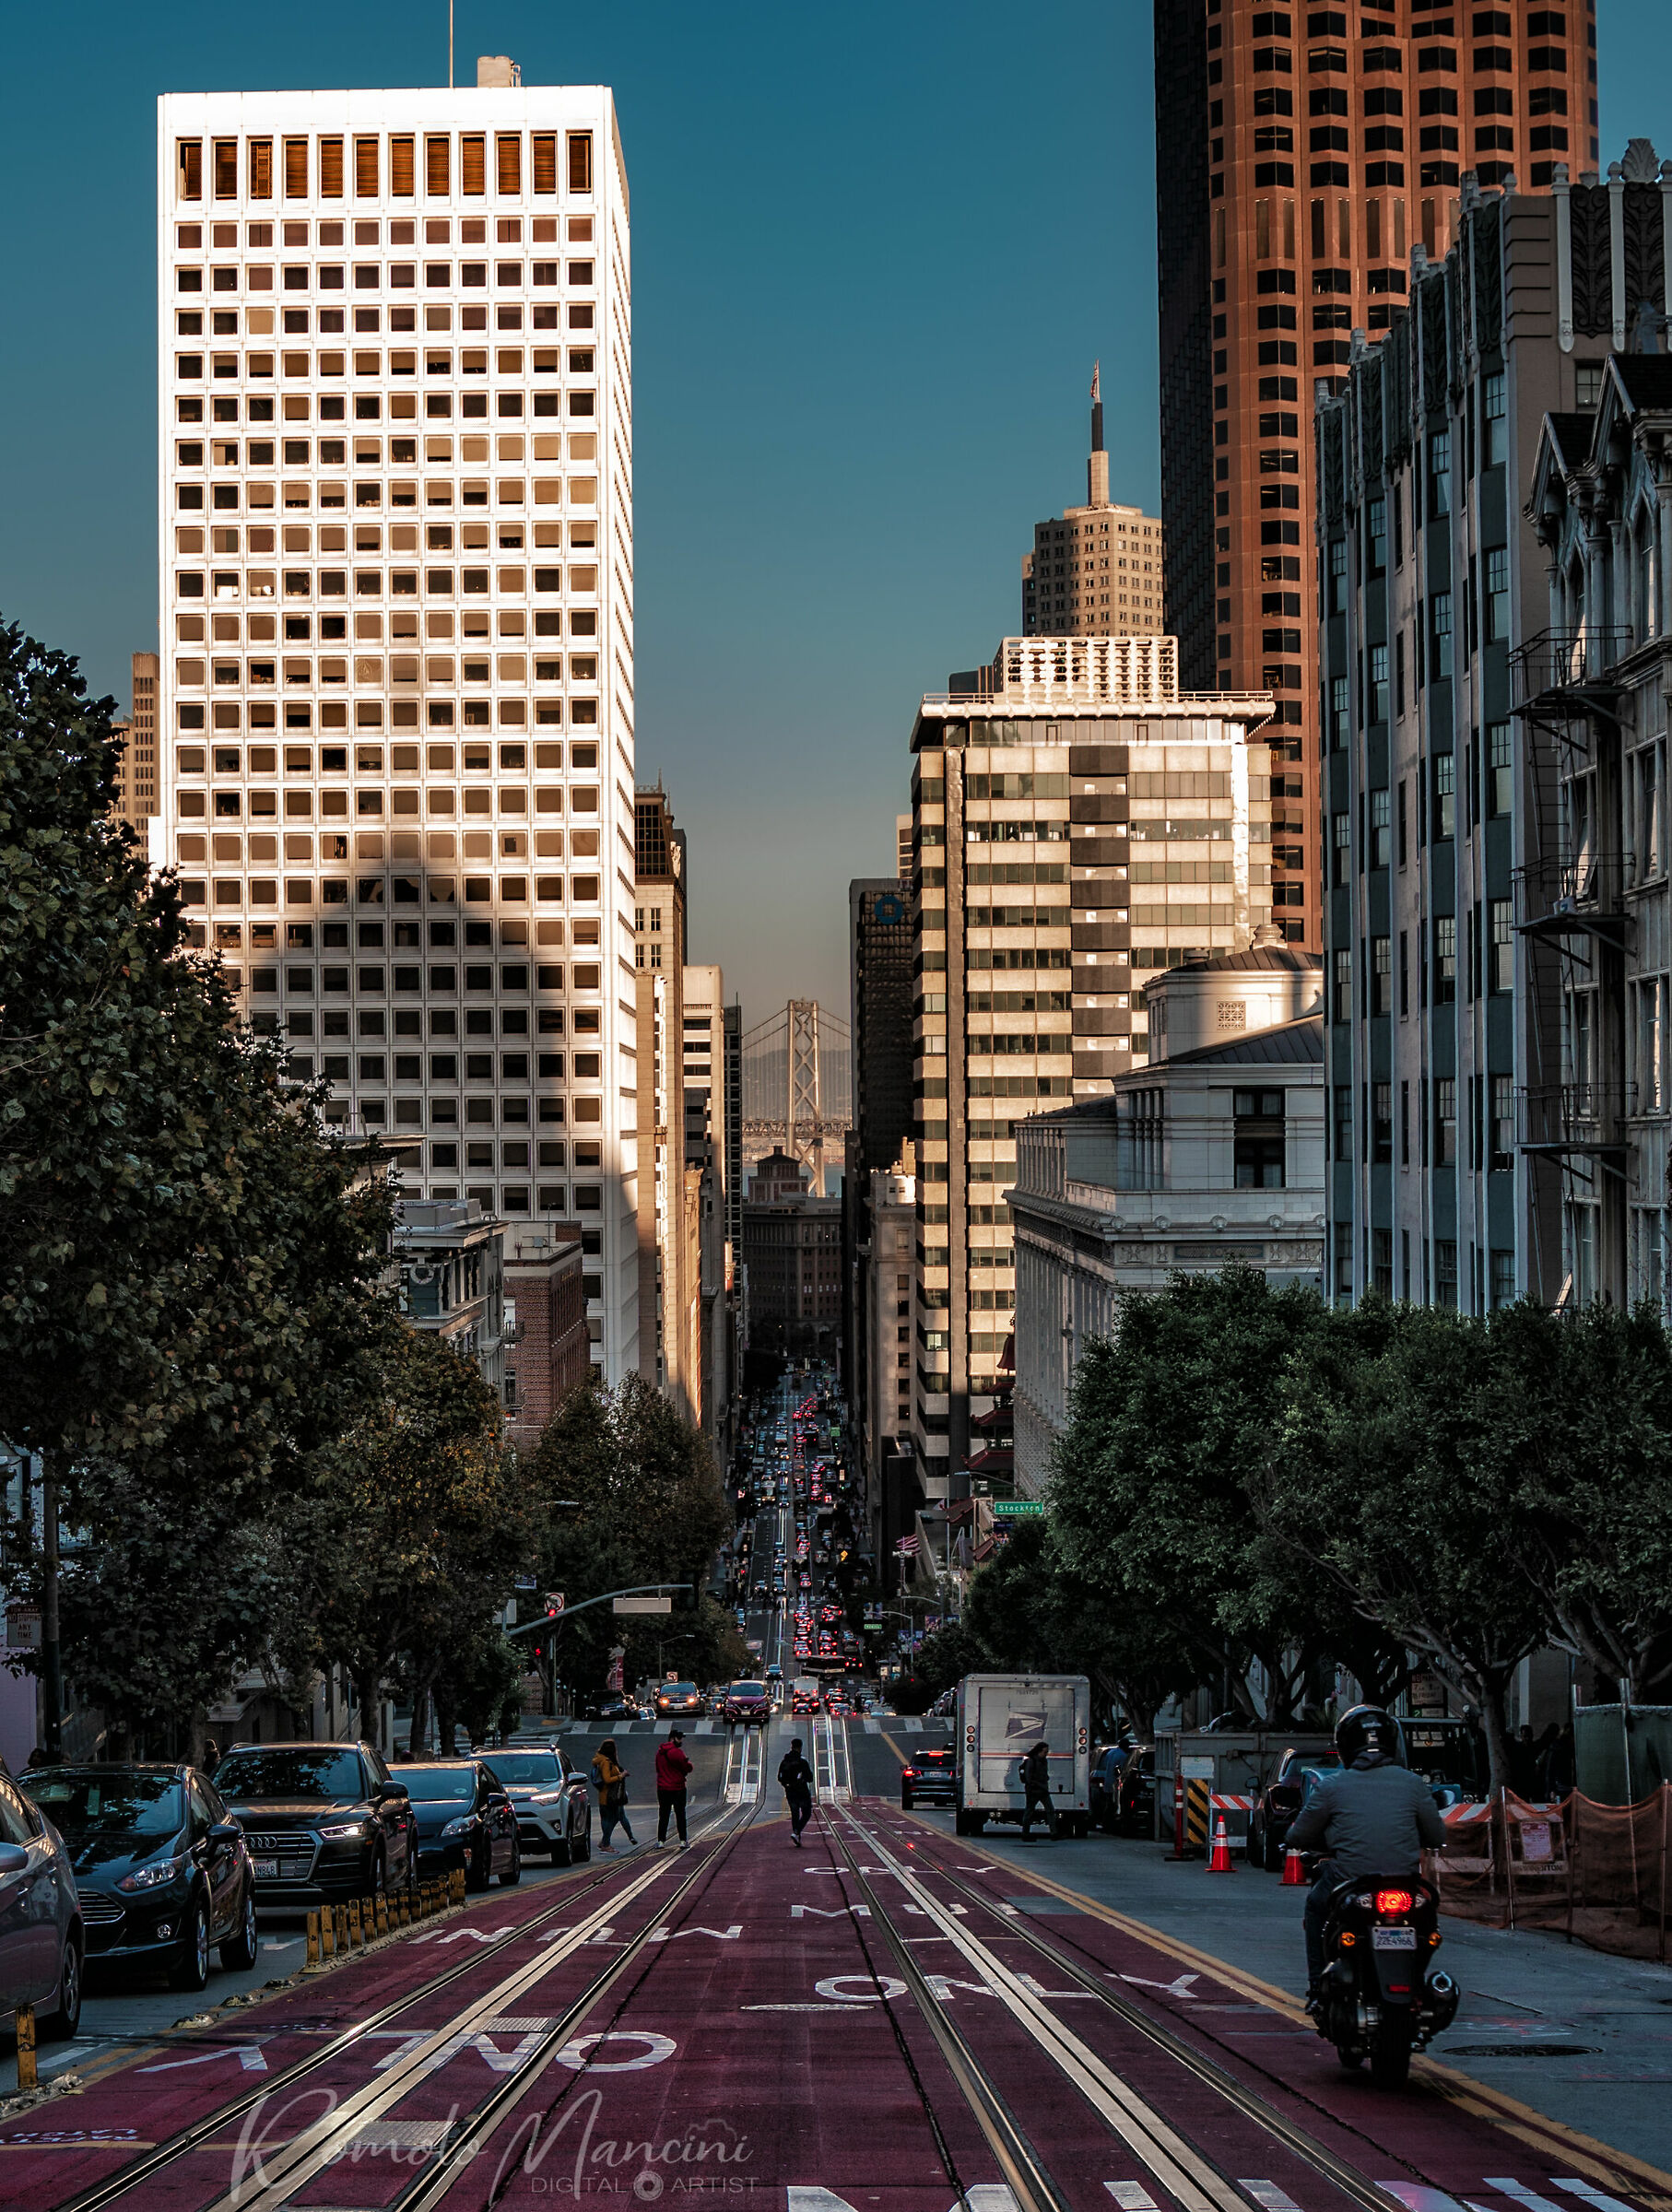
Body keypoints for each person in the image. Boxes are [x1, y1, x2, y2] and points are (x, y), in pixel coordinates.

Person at [1287, 1704, 1447, 2005]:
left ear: (1345, 1746)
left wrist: (1302, 1840)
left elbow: (1298, 1836)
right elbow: (1437, 1836)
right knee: (1429, 1926)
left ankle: (1317, 1989)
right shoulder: (1413, 1784)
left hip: (1349, 1881)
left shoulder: (1332, 1786)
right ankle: (1417, 1983)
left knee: (1315, 1907)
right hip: (1407, 1885)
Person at [592, 1737, 637, 1852]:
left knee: (609, 1818)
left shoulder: (601, 1760)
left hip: (604, 1795)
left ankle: (605, 1842)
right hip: (609, 1796)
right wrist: (621, 1776)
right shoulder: (606, 1762)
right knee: (612, 1818)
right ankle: (606, 1844)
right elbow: (607, 1779)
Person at [655, 1726, 693, 1848]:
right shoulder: (677, 1752)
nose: (681, 1741)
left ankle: (661, 1841)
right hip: (677, 1788)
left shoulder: (659, 1753)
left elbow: (658, 1769)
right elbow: (687, 1767)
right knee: (680, 1814)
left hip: (662, 1788)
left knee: (664, 1815)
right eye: (679, 1738)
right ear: (673, 1739)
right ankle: (683, 1840)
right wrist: (688, 1765)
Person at [778, 1737, 814, 1846]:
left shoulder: (785, 1761)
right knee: (806, 1813)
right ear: (800, 1748)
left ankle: (796, 1834)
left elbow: (780, 1777)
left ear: (792, 1746)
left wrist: (787, 1785)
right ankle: (797, 1832)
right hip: (802, 1791)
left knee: (795, 1812)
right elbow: (810, 1777)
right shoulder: (802, 1761)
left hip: (790, 1792)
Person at [1020, 1740, 1056, 1841]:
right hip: (1034, 1790)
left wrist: (1045, 1779)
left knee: (1050, 1810)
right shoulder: (1031, 1761)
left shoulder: (1043, 1761)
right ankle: (1025, 1834)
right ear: (1039, 1751)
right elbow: (1028, 1778)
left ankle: (1054, 1833)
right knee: (1029, 1811)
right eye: (1045, 1752)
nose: (1046, 1754)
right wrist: (1038, 1784)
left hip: (1042, 1790)